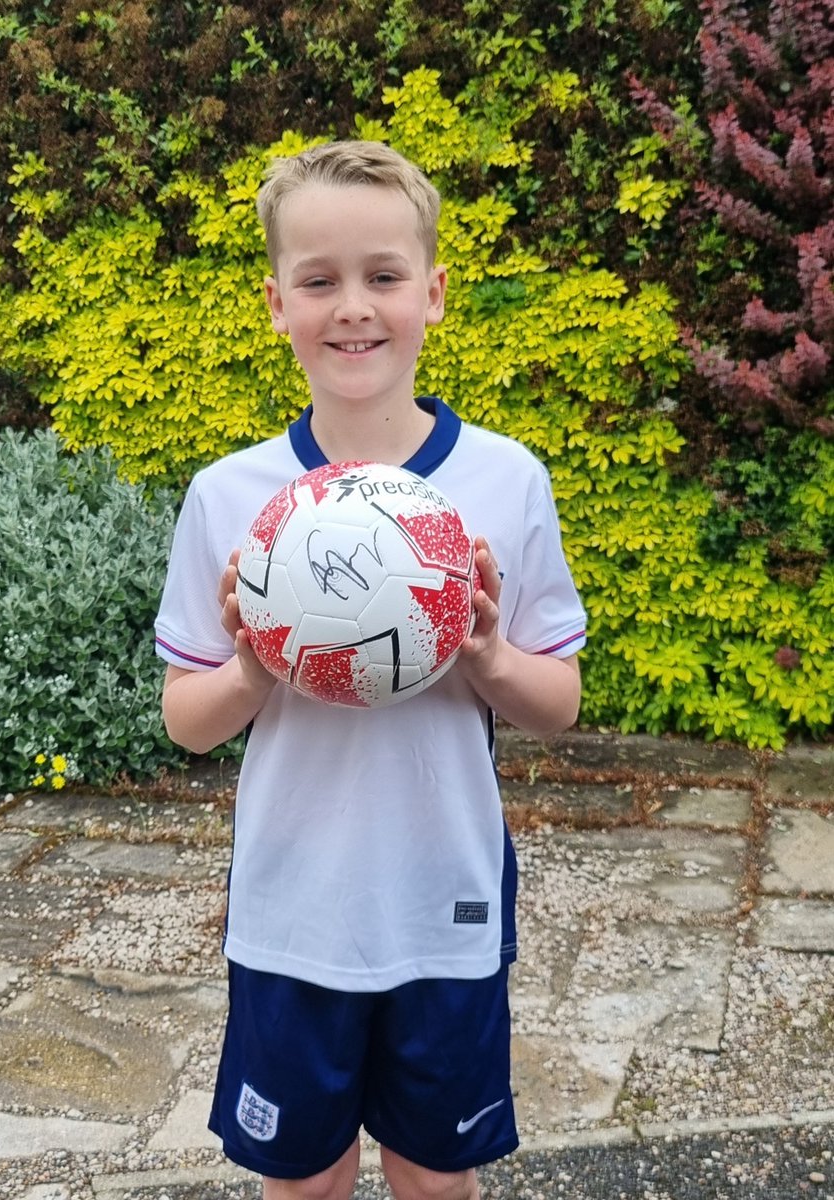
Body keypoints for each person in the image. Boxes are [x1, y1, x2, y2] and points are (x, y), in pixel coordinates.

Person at [155, 140, 586, 1200]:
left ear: (433, 294)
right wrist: (255, 673)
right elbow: (187, 719)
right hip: (293, 910)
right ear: (276, 303)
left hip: (446, 900)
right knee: (306, 1183)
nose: (353, 307)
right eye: (319, 280)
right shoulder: (230, 497)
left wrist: (484, 653)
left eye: (383, 276)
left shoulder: (504, 479)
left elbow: (559, 704)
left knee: (437, 1181)